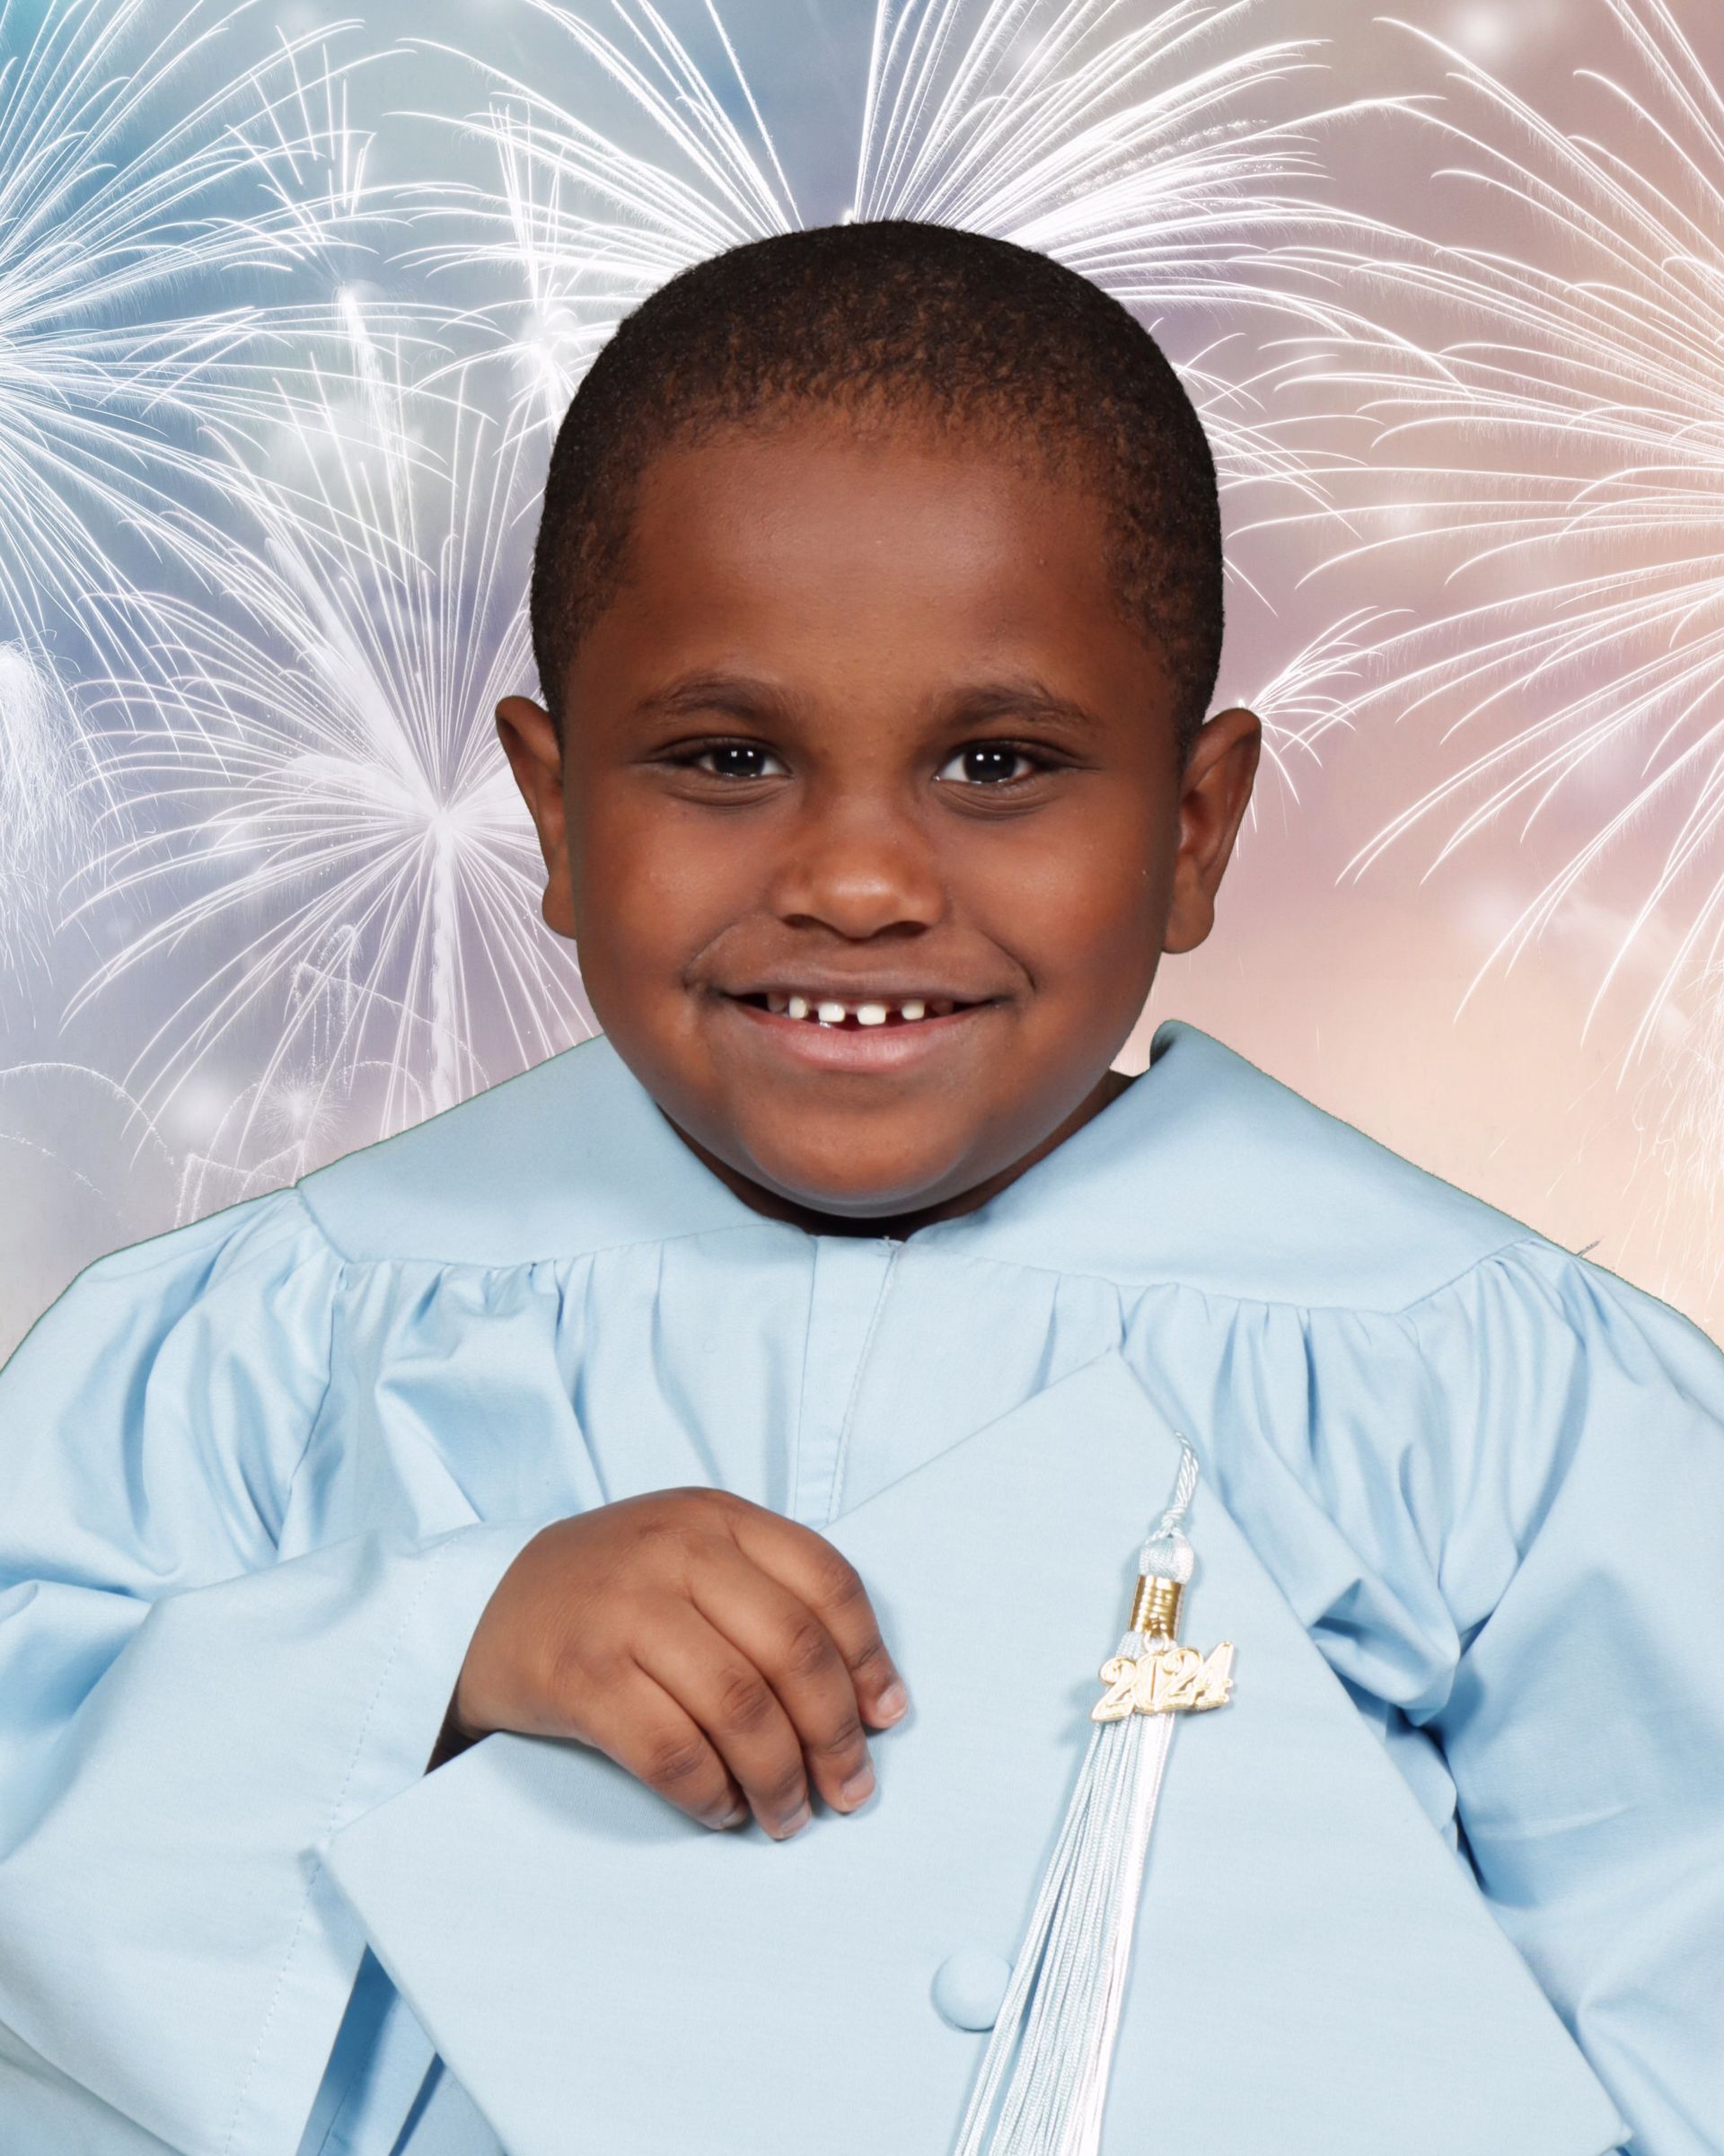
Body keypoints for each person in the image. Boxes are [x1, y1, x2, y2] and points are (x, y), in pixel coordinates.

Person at [0, 219, 1718, 2156]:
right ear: (554, 813)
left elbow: (1681, 2009)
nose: (862, 879)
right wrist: (435, 1649)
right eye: (728, 756)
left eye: (998, 761)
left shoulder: (1491, 1397)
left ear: (1192, 827)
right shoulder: (267, 1350)